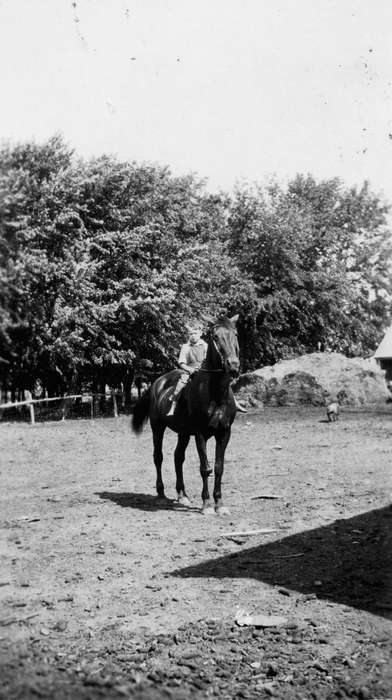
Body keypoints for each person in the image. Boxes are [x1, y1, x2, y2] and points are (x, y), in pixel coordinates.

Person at [166, 323, 247, 416]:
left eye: (195, 333)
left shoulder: (204, 345)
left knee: (223, 382)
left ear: (200, 334)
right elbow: (181, 362)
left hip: (202, 369)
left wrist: (202, 367)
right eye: (191, 334)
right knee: (181, 384)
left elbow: (207, 358)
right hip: (189, 369)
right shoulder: (186, 347)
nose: (193, 336)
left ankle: (234, 402)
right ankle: (173, 404)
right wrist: (190, 369)